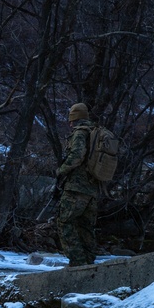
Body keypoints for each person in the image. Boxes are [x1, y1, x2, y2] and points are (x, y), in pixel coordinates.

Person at [56, 102, 100, 266]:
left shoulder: (80, 133)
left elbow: (77, 155)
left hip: (76, 187)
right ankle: (88, 262)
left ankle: (78, 262)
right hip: (93, 189)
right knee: (85, 225)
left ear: (73, 120)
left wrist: (61, 170)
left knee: (64, 222)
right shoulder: (95, 132)